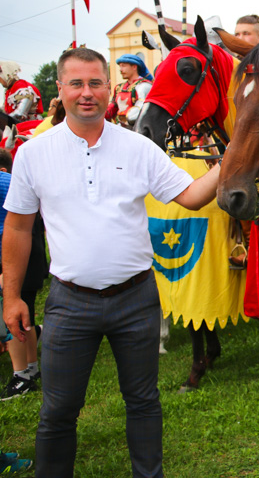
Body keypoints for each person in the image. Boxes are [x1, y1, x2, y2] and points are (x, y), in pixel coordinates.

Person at [1, 47, 221, 478]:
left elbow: (192, 197)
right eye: (77, 84)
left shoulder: (138, 148)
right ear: (59, 89)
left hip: (136, 299)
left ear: (109, 90)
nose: (87, 93)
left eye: (96, 83)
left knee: (142, 401)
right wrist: (11, 297)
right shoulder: (32, 154)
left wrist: (231, 161)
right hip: (68, 303)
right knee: (58, 410)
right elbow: (19, 229)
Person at [0, 148, 48, 401]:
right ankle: (30, 369)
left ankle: (22, 376)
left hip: (18, 257)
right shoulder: (12, 180)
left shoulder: (4, 181)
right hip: (31, 254)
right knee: (24, 311)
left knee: (15, 315)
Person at [106, 54, 153, 126]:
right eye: (120, 66)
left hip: (137, 128)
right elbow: (113, 107)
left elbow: (142, 110)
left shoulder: (144, 86)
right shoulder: (119, 87)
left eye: (123, 66)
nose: (120, 69)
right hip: (120, 127)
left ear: (134, 67)